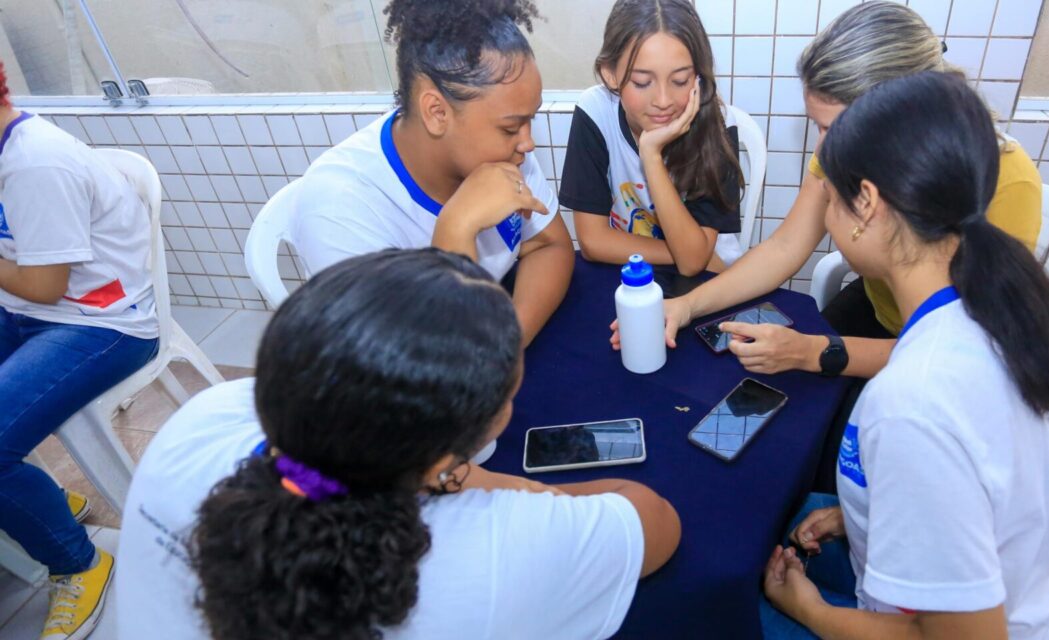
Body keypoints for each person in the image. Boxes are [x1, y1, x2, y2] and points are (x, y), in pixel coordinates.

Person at [116, 248, 682, 640]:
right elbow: (654, 523)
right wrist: (466, 477)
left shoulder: (202, 418)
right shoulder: (497, 552)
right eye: (511, 389)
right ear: (446, 452)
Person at [611, 1, 1043, 490]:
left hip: (934, 355)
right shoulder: (846, 145)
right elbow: (784, 248)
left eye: (832, 129)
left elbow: (959, 355)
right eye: (817, 127)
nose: (823, 151)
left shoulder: (1009, 184)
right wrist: (686, 306)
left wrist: (816, 353)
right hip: (881, 312)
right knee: (765, 417)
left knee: (827, 464)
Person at [757, 71, 1049, 639]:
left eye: (830, 196)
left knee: (718, 601)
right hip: (1020, 602)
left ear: (864, 203)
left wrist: (811, 610)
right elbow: (982, 491)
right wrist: (870, 515)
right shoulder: (999, 314)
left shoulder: (912, 404)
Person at [283, 0, 573, 346]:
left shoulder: (506, 150)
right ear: (436, 112)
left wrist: (506, 346)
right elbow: (425, 361)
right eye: (511, 128)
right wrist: (456, 227)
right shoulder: (338, 209)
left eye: (531, 120)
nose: (528, 143)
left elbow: (550, 246)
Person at [0, 59, 159, 640]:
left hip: (104, 325)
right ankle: (42, 502)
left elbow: (45, 286)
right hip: (30, 312)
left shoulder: (35, 164)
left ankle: (79, 564)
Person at [560, 0, 745, 276]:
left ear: (698, 76)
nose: (662, 101)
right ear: (610, 73)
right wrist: (685, 254)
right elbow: (592, 241)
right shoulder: (595, 111)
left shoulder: (717, 122)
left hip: (710, 278)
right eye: (642, 82)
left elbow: (693, 265)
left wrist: (651, 154)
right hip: (634, 267)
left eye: (680, 81)